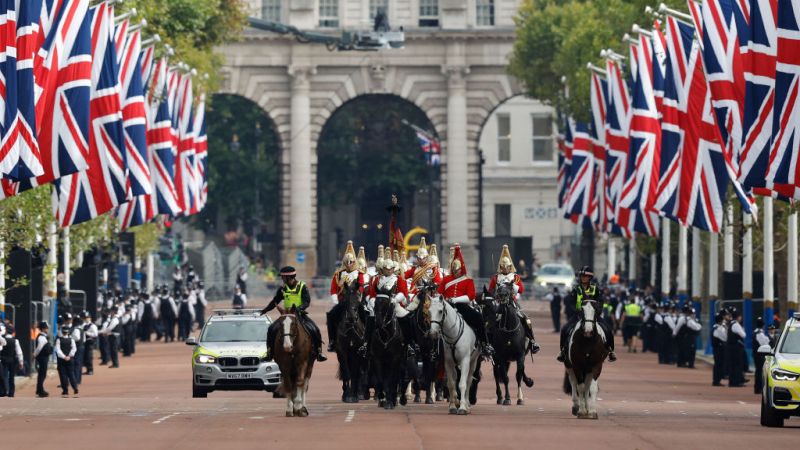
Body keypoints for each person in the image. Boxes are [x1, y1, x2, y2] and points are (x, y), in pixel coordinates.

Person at [437, 244, 495, 357]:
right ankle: (435, 350)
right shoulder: (446, 280)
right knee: (434, 323)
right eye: (453, 269)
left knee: (478, 318)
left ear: (461, 268)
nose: (455, 271)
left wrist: (455, 299)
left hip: (461, 306)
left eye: (457, 269)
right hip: (446, 306)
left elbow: (471, 296)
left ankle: (485, 344)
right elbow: (440, 293)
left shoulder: (468, 280)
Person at [359, 249, 418, 358]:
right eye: (387, 268)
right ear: (383, 269)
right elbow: (372, 294)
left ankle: (410, 344)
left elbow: (403, 293)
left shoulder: (398, 279)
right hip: (379, 306)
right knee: (370, 319)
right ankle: (366, 344)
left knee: (407, 317)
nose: (389, 270)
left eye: (391, 268)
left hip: (394, 305)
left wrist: (395, 300)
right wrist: (373, 304)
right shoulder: (377, 280)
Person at [261, 266, 327, 362]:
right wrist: (265, 310)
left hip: (300, 315)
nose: (281, 279)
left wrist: (298, 308)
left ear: (289, 277)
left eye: (282, 277)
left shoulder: (302, 286)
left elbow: (306, 301)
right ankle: (269, 353)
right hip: (286, 316)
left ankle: (319, 352)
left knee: (315, 329)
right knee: (271, 329)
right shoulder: (283, 288)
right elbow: (275, 301)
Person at [488, 245, 540, 355]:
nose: (504, 268)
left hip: (512, 303)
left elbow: (521, 290)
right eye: (503, 266)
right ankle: (488, 344)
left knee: (526, 318)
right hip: (499, 303)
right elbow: (490, 290)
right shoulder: (496, 277)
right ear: (500, 267)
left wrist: (511, 287)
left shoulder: (515, 277)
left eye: (506, 266)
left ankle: (532, 342)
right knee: (491, 321)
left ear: (510, 266)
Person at [557, 266, 616, 362]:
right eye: (582, 276)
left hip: (593, 316)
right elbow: (571, 303)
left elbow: (600, 301)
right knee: (564, 329)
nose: (583, 278)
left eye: (585, 276)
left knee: (608, 330)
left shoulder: (595, 289)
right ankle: (563, 351)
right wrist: (576, 311)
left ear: (590, 278)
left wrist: (597, 311)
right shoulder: (576, 289)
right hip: (578, 315)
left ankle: (611, 351)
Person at [326, 241, 365, 352]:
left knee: (365, 316)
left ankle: (367, 340)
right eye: (347, 262)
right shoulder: (338, 274)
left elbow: (361, 286)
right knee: (331, 316)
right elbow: (334, 288)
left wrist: (358, 296)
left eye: (351, 262)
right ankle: (332, 341)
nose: (349, 264)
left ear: (354, 262)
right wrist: (335, 299)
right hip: (342, 301)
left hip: (355, 301)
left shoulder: (359, 273)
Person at [0, 324, 23, 397]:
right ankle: (11, 393)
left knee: (4, 375)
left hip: (3, 359)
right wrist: (21, 362)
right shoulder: (15, 341)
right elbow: (19, 353)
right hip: (12, 360)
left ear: (6, 331)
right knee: (12, 377)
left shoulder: (2, 340)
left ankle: (6, 390)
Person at [727, 309, 748, 387]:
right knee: (738, 364)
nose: (741, 318)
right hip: (736, 347)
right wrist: (743, 330)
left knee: (733, 365)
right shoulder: (736, 325)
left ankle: (732, 381)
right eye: (740, 316)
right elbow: (743, 335)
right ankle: (737, 381)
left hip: (731, 346)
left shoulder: (731, 323)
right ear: (737, 317)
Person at [55, 326, 78, 396]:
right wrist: (69, 356)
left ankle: (65, 390)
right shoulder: (71, 339)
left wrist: (64, 357)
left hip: (61, 360)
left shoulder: (59, 340)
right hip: (70, 359)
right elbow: (74, 349)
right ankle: (75, 387)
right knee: (71, 374)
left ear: (62, 332)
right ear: (68, 332)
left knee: (63, 375)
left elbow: (58, 350)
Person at [33, 321, 52, 397]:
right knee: (42, 374)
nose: (48, 329)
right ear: (43, 329)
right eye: (47, 328)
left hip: (43, 357)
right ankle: (40, 389)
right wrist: (35, 354)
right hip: (42, 357)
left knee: (42, 373)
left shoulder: (43, 336)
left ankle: (39, 389)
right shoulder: (42, 337)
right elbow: (39, 348)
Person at [753, 317, 771, 394]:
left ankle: (758, 387)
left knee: (758, 371)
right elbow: (764, 344)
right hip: (760, 355)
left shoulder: (755, 332)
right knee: (760, 371)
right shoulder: (760, 334)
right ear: (762, 326)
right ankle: (758, 388)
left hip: (756, 354)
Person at [711, 313, 727, 386]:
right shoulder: (719, 329)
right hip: (719, 348)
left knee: (718, 364)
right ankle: (716, 381)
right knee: (719, 364)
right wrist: (726, 329)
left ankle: (717, 380)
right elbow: (725, 338)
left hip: (717, 348)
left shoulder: (714, 327)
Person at [81, 311, 98, 376]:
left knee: (89, 356)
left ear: (90, 318)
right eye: (85, 318)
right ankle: (87, 369)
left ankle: (90, 369)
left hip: (90, 341)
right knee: (85, 356)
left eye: (87, 318)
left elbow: (95, 334)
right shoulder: (84, 325)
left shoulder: (92, 326)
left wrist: (87, 333)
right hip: (85, 342)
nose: (86, 319)